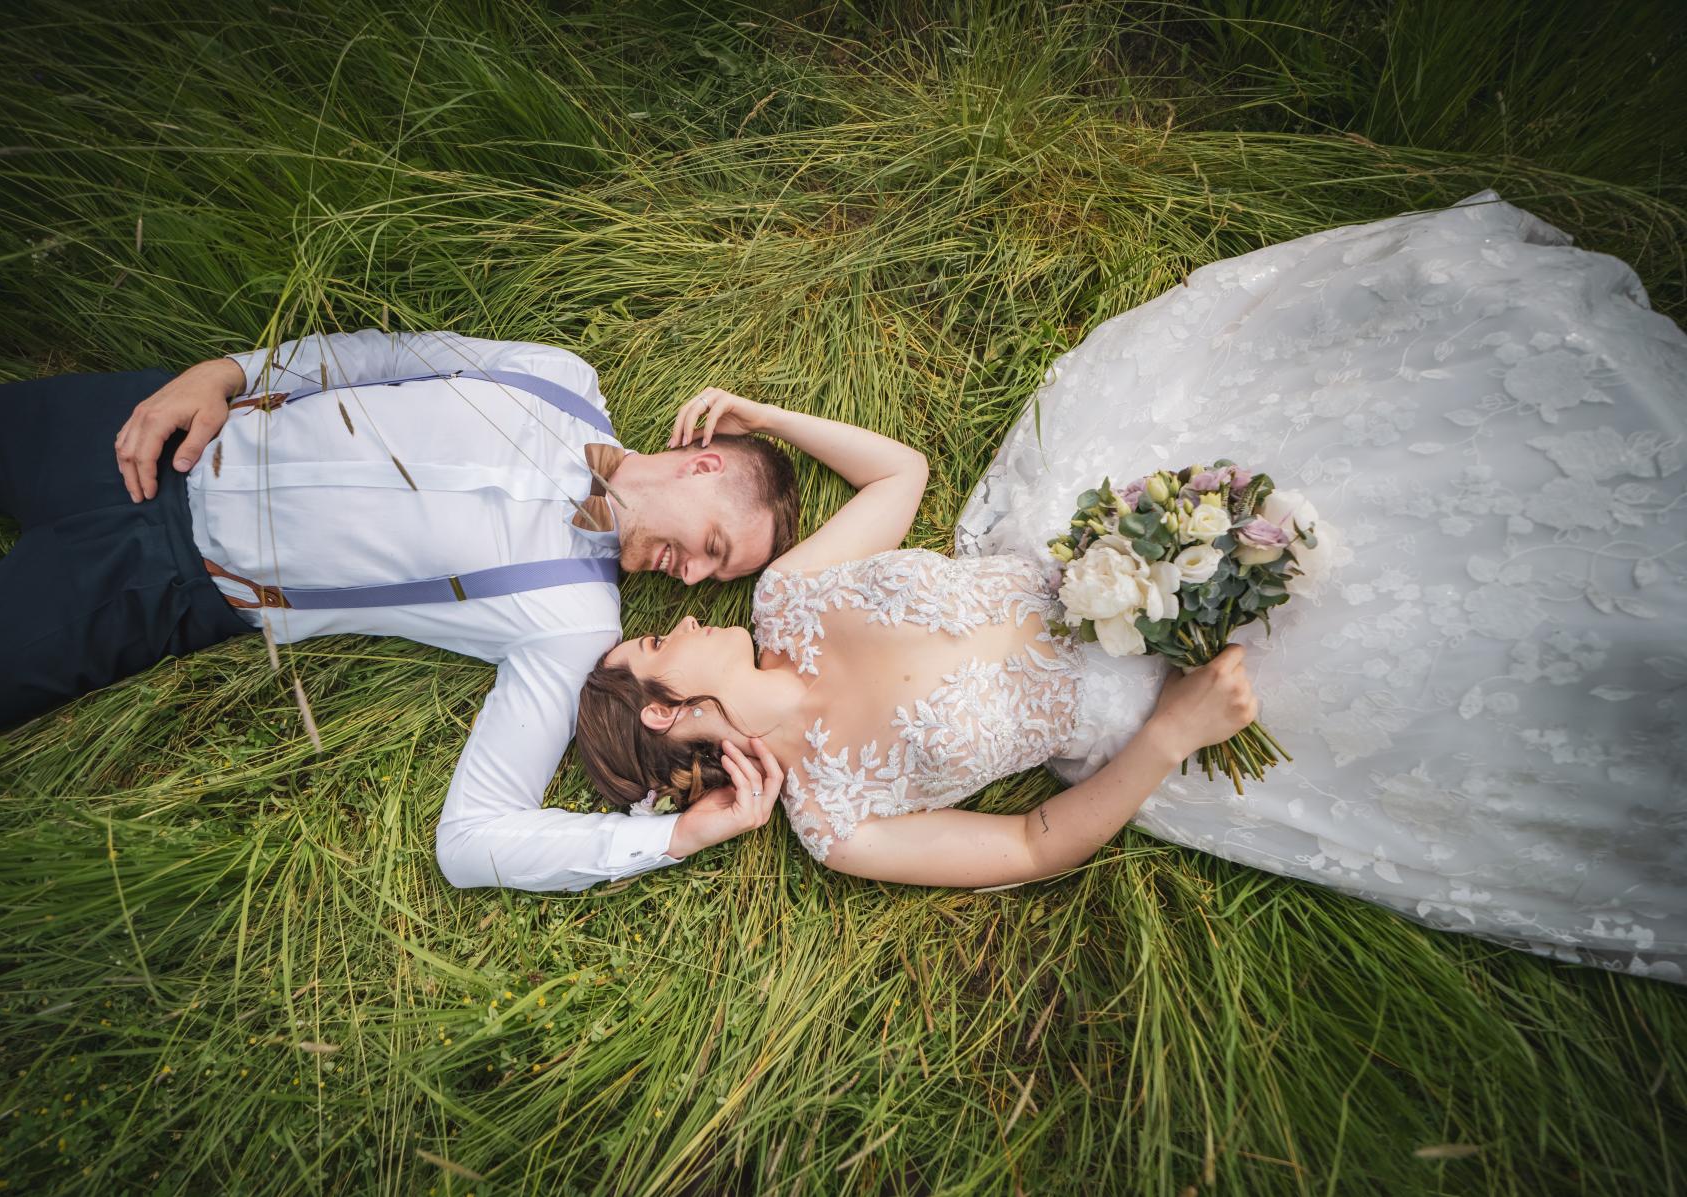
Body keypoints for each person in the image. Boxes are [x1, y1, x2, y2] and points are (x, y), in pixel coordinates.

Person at [577, 192, 1687, 983]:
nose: (674, 618)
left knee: (1367, 485)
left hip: (1109, 552)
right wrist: (1173, 732)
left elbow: (902, 474)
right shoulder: (839, 825)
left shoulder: (787, 602)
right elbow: (1030, 844)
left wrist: (768, 418)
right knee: (1459, 655)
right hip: (1155, 699)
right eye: (653, 646)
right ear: (666, 711)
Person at [0, 328, 812, 891]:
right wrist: (225, 371)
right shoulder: (556, 376)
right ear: (704, 464)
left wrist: (672, 835)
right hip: (139, 424)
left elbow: (474, 835)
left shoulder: (574, 623)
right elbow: (381, 359)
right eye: (714, 548)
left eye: (711, 581)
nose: (690, 579)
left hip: (152, 585)